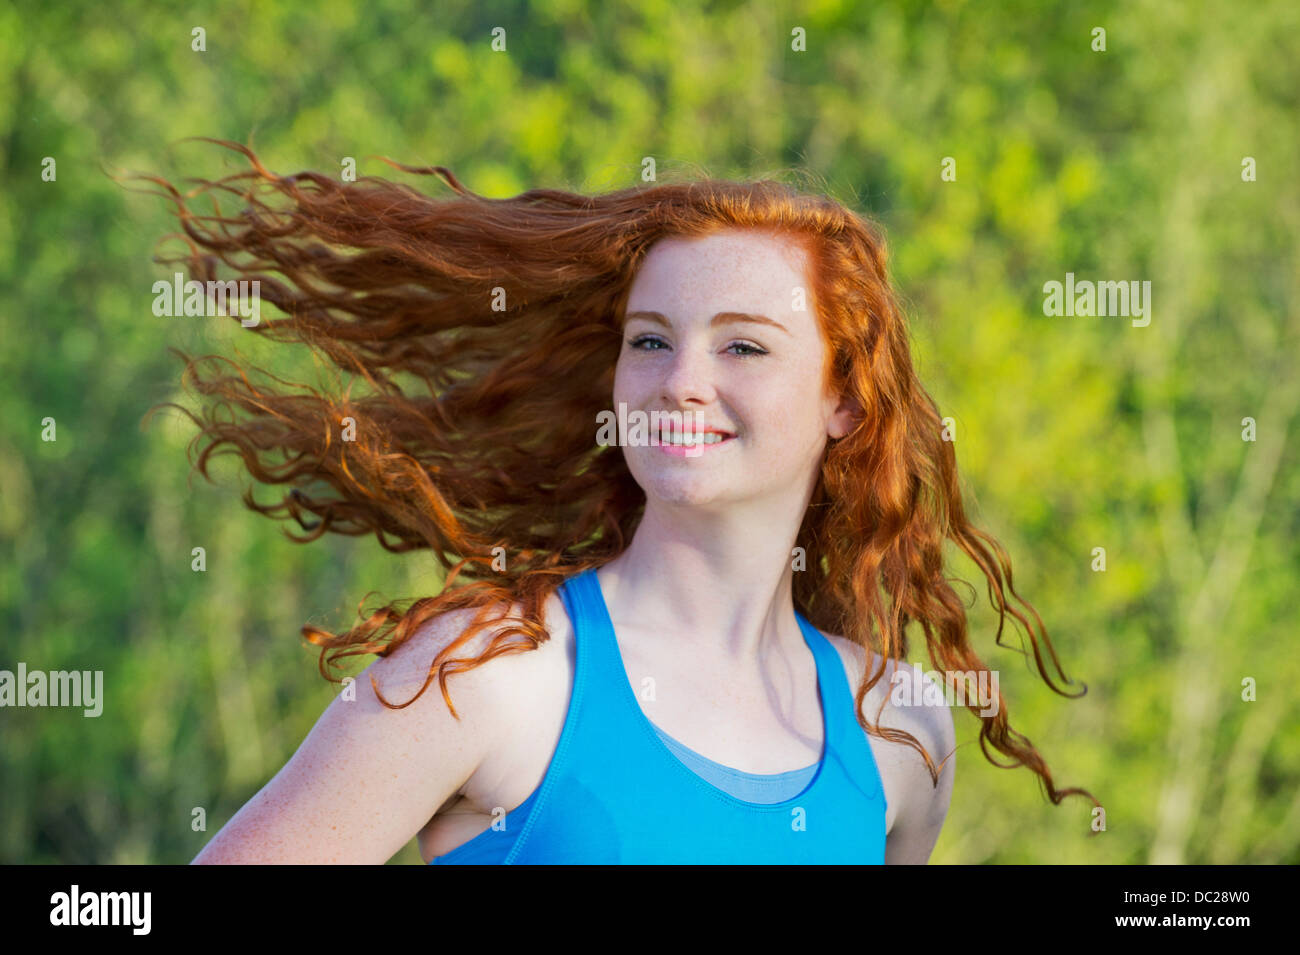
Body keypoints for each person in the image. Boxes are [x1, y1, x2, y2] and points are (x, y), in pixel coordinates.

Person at [138, 141, 1096, 863]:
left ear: (845, 398)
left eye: (743, 346)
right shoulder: (494, 674)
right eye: (649, 340)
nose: (680, 380)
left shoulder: (901, 730)